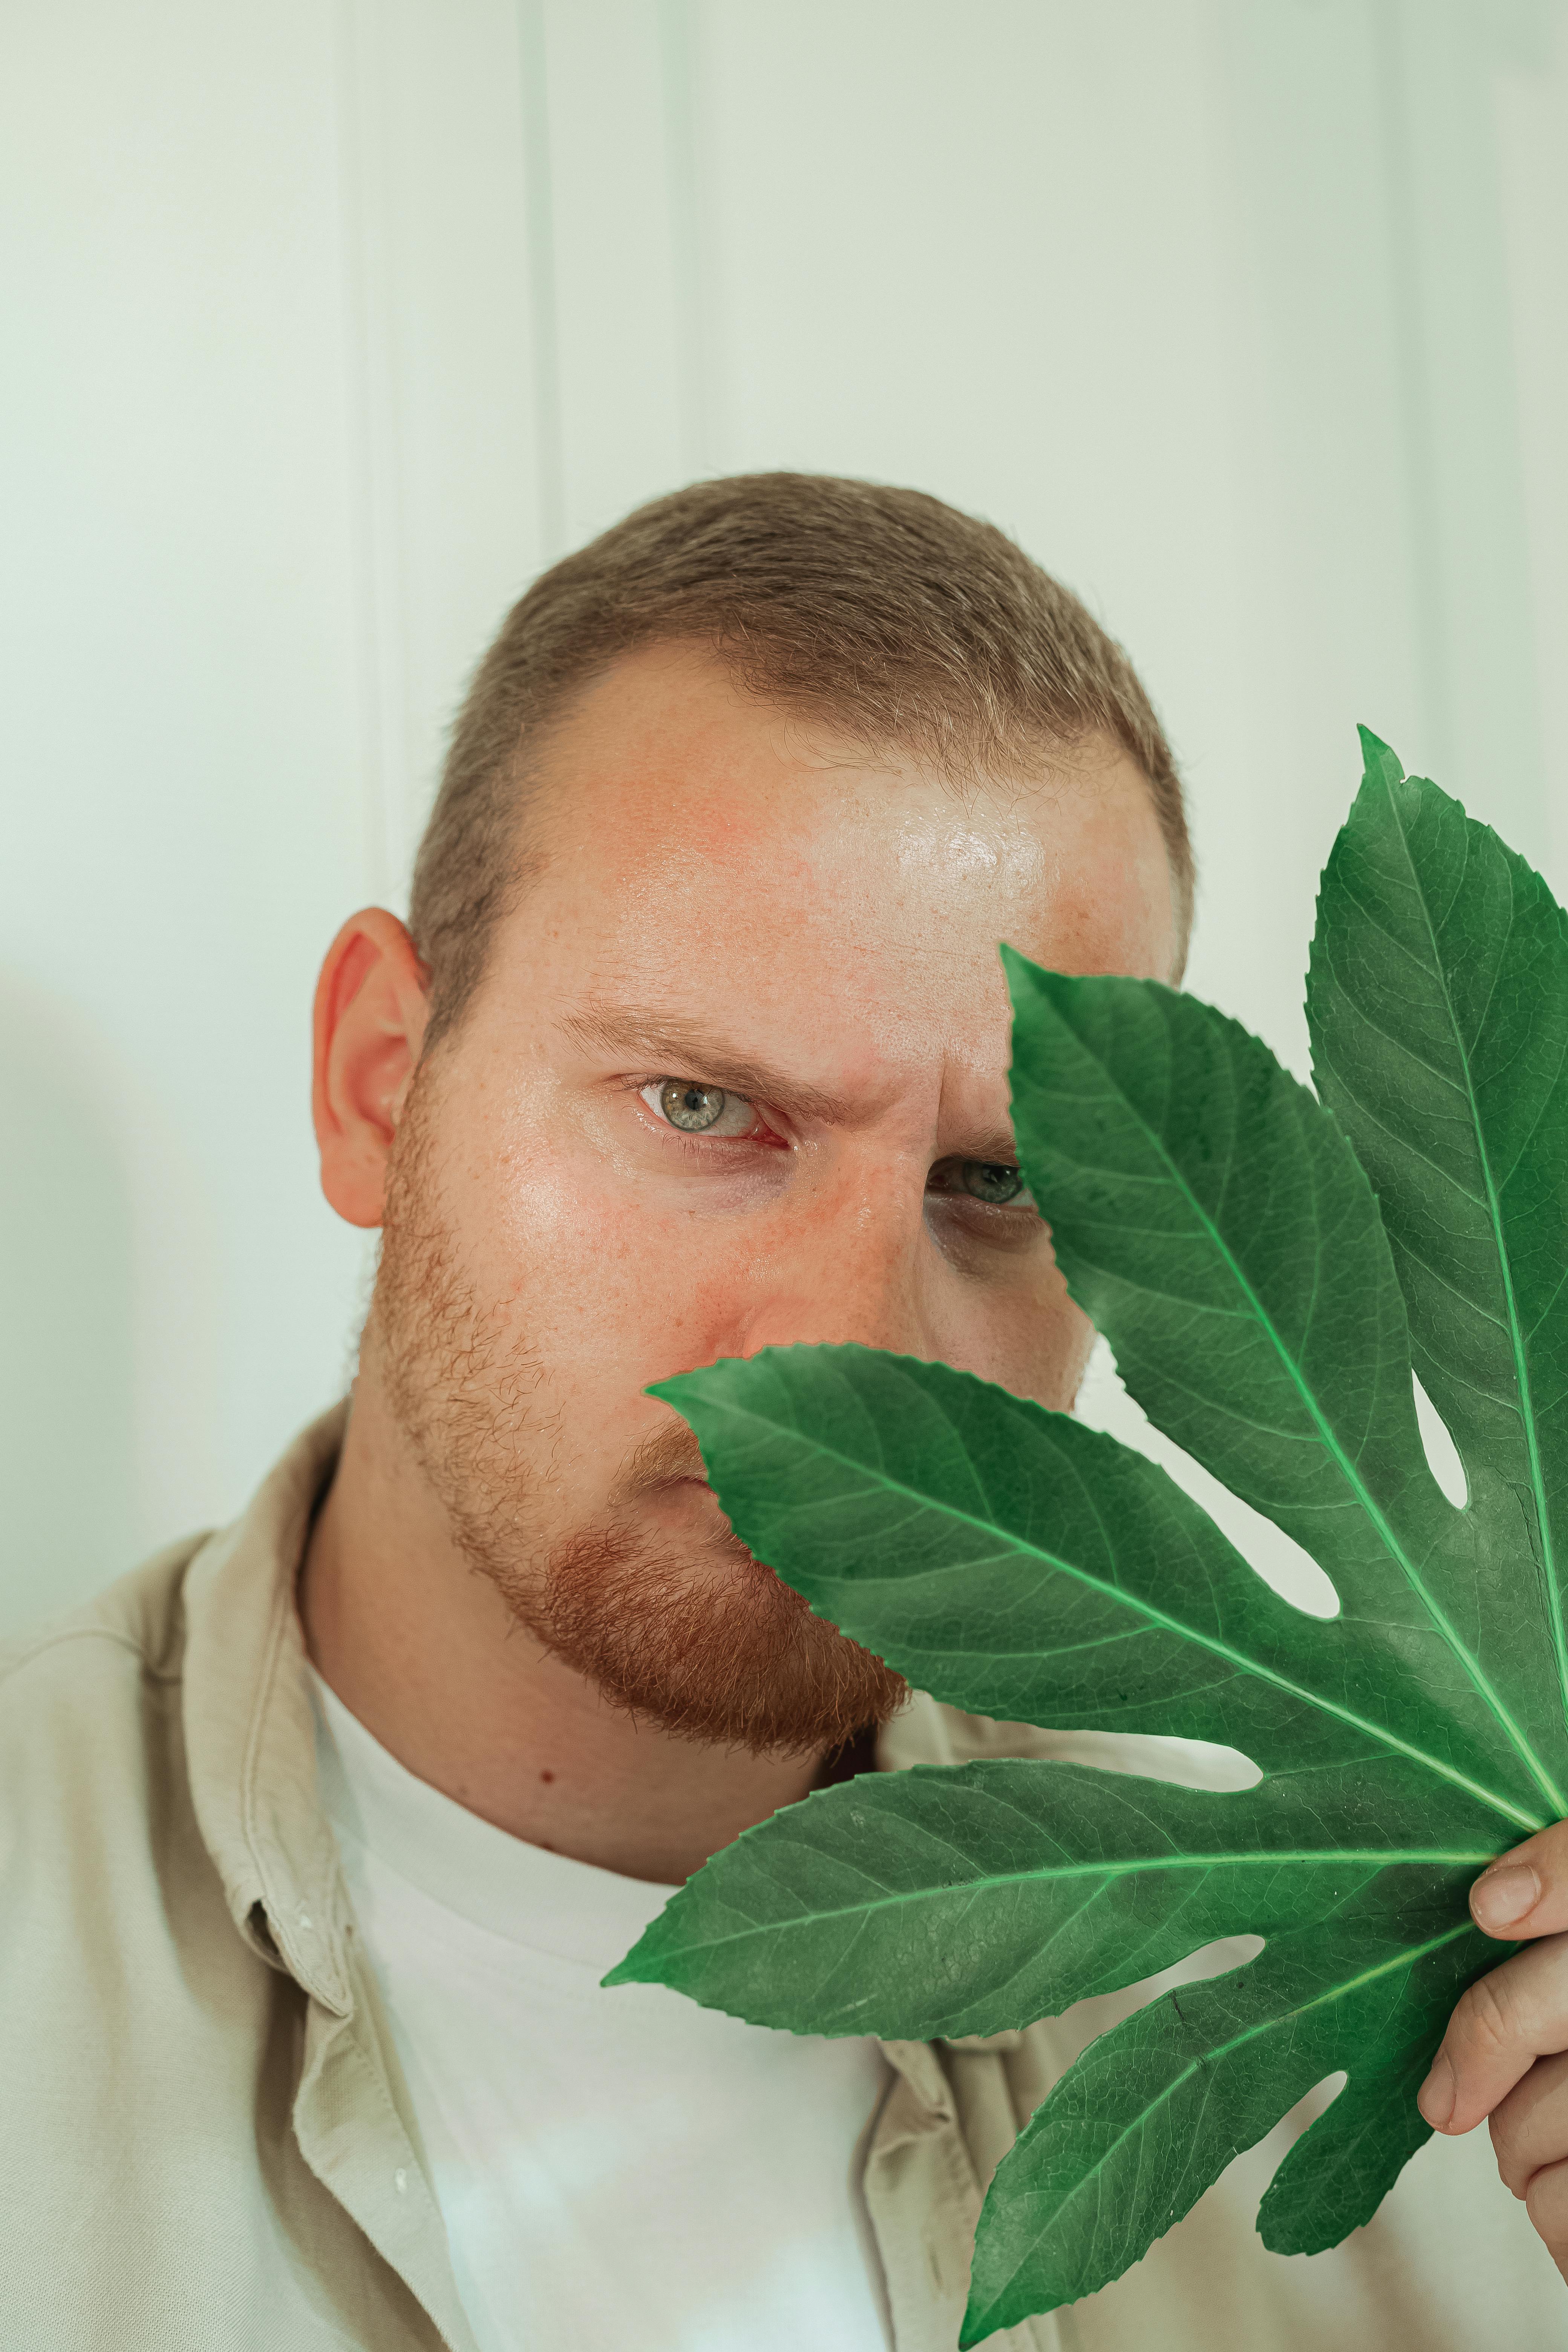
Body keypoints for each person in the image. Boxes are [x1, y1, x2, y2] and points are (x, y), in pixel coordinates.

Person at [2, 475, 1565, 2352]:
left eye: (991, 1186)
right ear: (378, 1087)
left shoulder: (1416, 2043)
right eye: (698, 1109)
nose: (856, 1348)